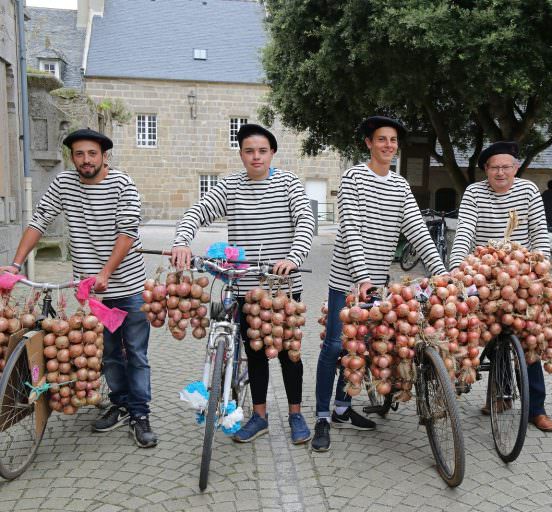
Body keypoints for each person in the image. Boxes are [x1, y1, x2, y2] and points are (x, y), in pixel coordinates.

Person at [0, 129, 157, 447]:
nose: (86, 160)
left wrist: (106, 272)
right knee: (110, 353)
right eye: (79, 154)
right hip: (93, 293)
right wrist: (15, 265)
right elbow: (39, 220)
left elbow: (127, 232)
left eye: (92, 154)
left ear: (104, 156)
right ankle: (121, 403)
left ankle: (141, 414)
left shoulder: (122, 184)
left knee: (135, 354)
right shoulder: (64, 184)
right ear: (72, 157)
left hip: (127, 287)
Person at [171, 124, 315, 445]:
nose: (256, 157)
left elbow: (306, 220)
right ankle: (259, 416)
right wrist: (182, 241)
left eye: (262, 151)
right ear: (241, 155)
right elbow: (198, 211)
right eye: (249, 151)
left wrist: (293, 257)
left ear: (272, 153)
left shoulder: (288, 184)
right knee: (256, 353)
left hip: (283, 287)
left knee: (290, 354)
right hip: (244, 288)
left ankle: (295, 414)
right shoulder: (229, 186)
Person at [311, 116, 447, 452]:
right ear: (369, 143)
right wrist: (361, 277)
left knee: (362, 347)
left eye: (393, 140)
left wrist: (442, 273)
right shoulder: (354, 177)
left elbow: (416, 230)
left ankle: (343, 408)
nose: (388, 145)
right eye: (381, 139)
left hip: (378, 286)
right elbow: (351, 229)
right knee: (334, 346)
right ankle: (321, 417)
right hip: (348, 280)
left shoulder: (400, 186)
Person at [448, 141, 552, 432]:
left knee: (529, 338)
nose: (500, 172)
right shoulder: (474, 193)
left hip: (521, 273)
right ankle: (501, 395)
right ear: (486, 170)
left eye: (506, 166)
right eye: (494, 167)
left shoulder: (529, 191)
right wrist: (457, 268)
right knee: (491, 334)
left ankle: (537, 409)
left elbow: (539, 233)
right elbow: (465, 233)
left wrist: (542, 267)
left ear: (516, 168)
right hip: (485, 273)